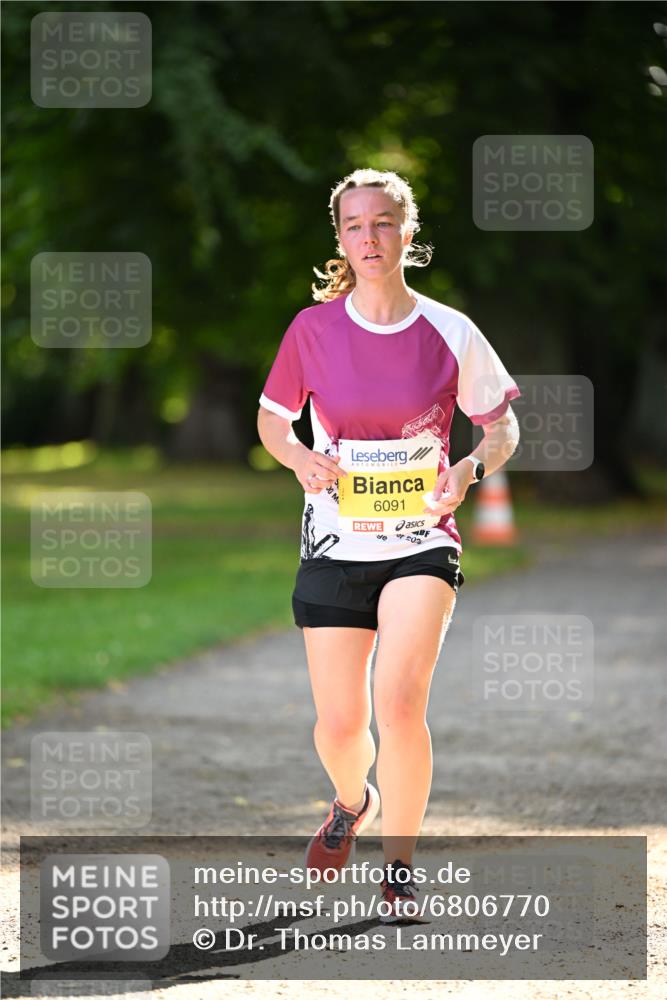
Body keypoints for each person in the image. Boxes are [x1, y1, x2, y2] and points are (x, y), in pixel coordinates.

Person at [257, 168, 521, 923]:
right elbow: (275, 419)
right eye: (352, 225)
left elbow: (499, 426)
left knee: (398, 704)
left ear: (408, 234)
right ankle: (351, 801)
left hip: (419, 542)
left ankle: (399, 868)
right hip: (335, 544)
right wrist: (298, 457)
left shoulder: (451, 330)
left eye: (381, 223)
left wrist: (470, 467)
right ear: (338, 239)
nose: (367, 238)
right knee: (340, 726)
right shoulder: (311, 330)